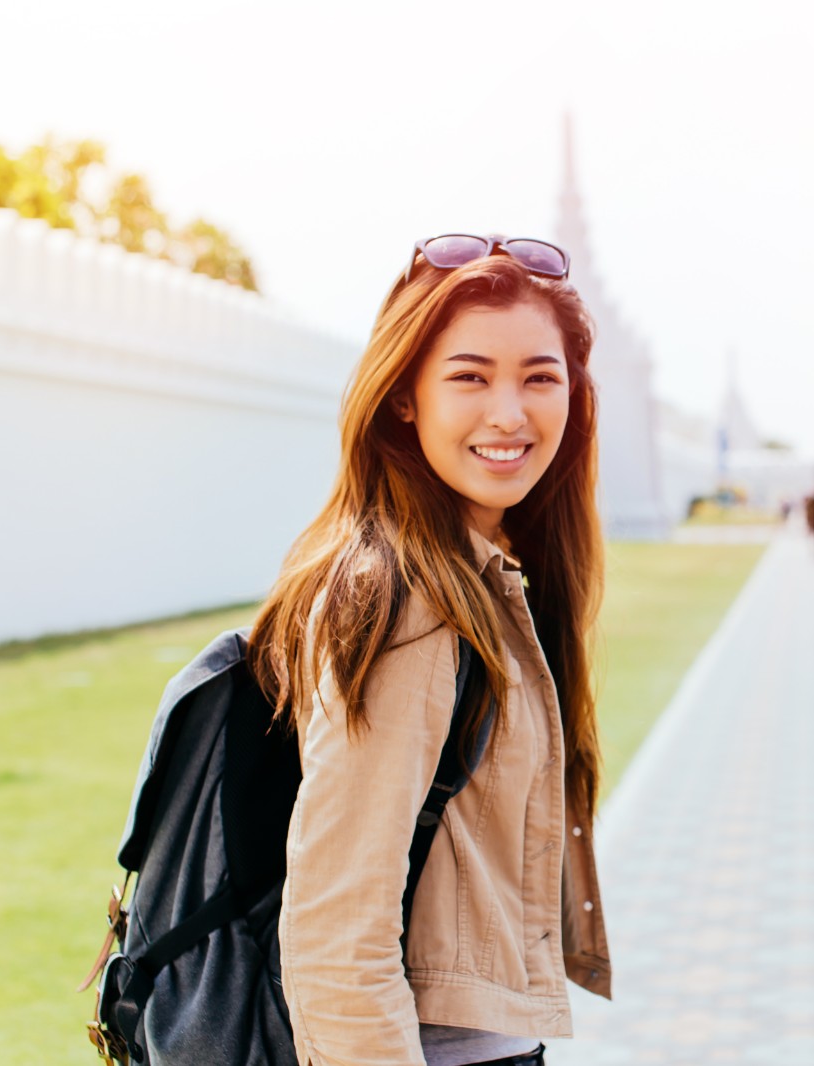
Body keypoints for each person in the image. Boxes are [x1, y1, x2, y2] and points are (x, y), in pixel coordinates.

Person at [247, 235, 612, 1066]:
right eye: (470, 376)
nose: (510, 413)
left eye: (540, 377)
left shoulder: (483, 575)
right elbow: (338, 933)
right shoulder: (409, 600)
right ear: (405, 397)